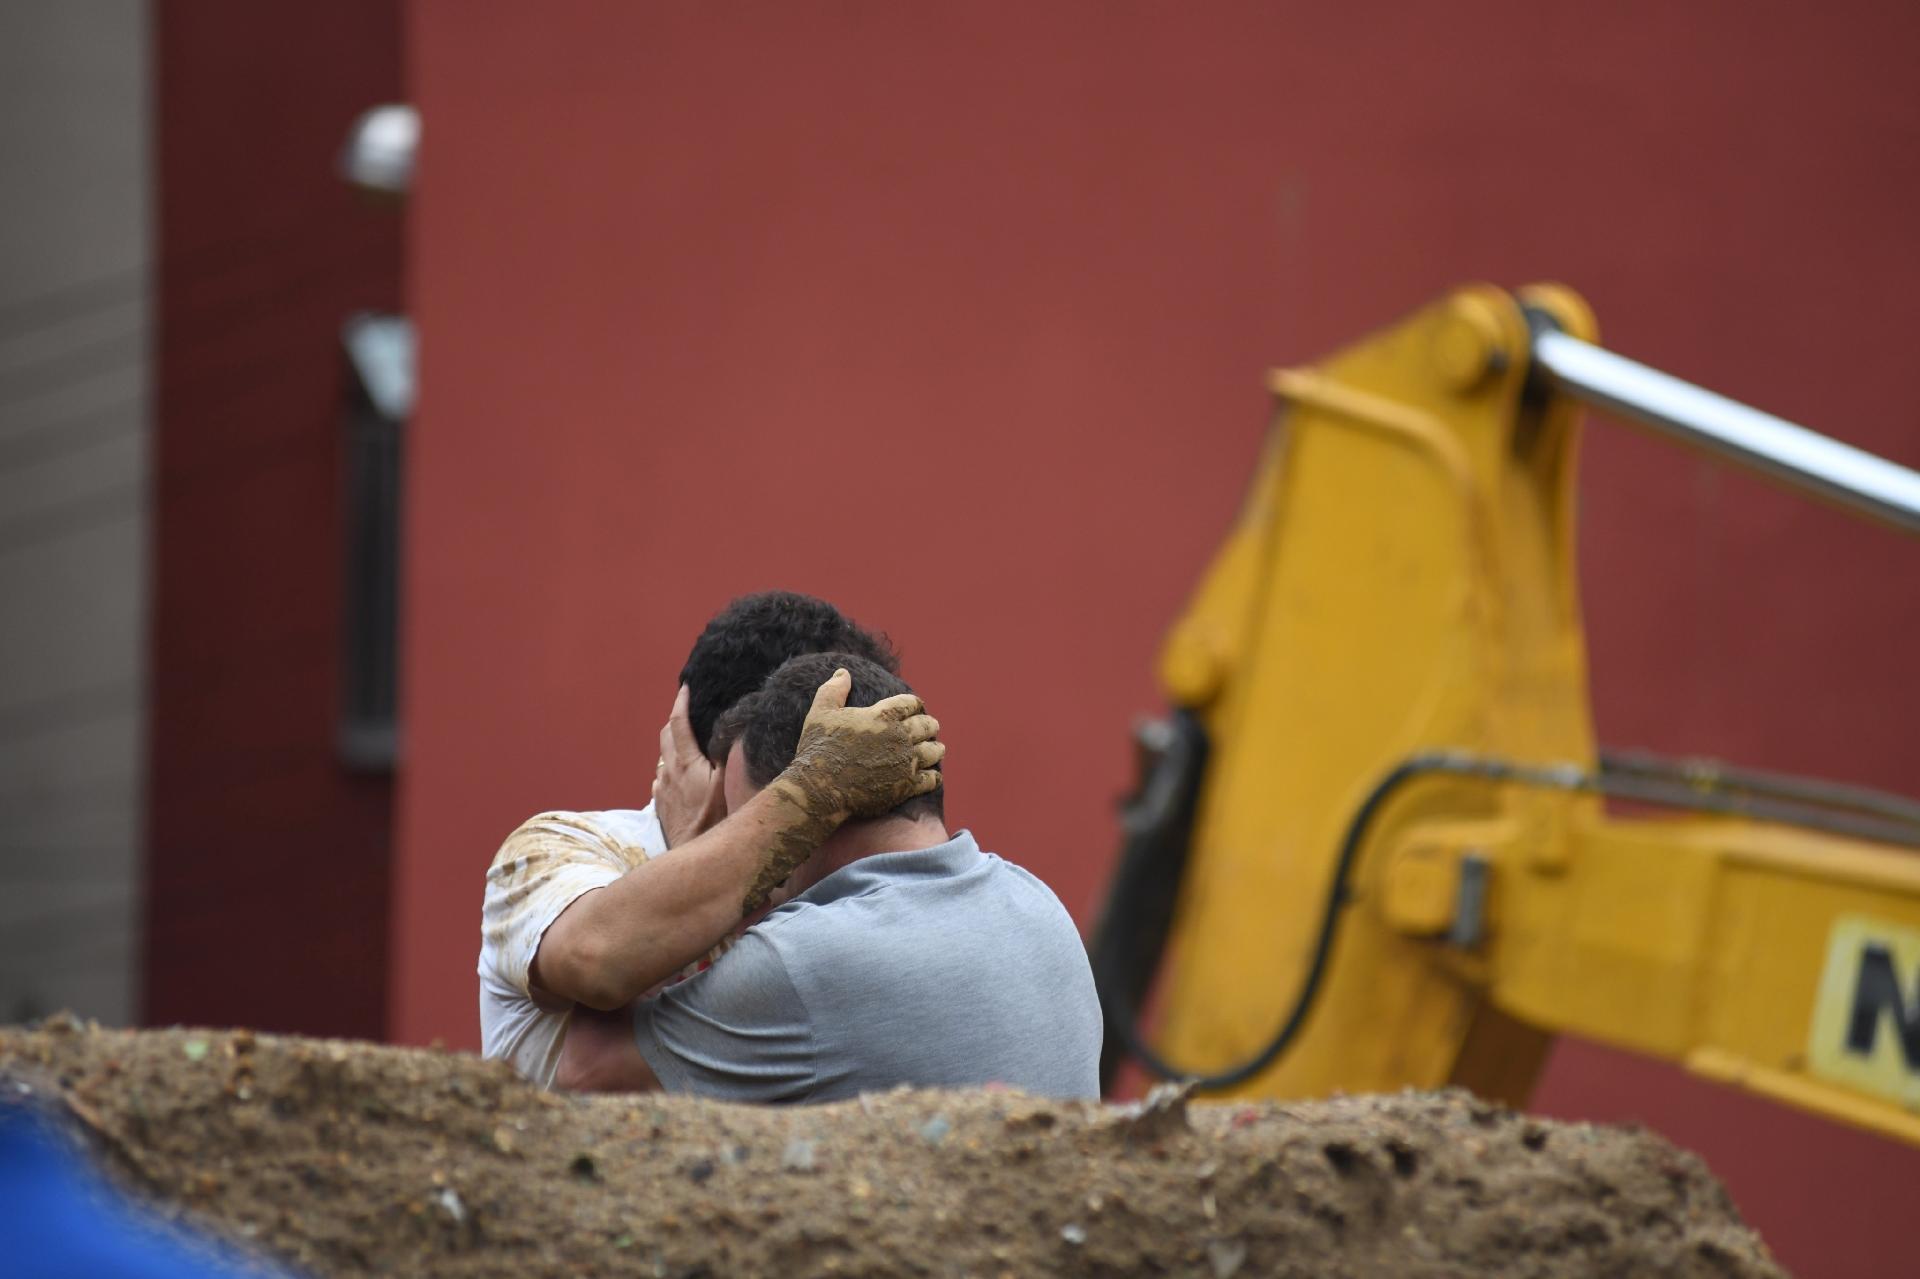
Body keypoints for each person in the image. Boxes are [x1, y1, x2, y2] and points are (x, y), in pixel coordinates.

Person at [559, 652, 1103, 1101]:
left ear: (804, 815)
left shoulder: (801, 962)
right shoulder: (1038, 904)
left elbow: (586, 1070)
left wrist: (697, 851)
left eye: (744, 821)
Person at [478, 592, 937, 1088]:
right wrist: (699, 845)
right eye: (844, 752)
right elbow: (595, 962)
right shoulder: (561, 849)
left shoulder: (840, 874)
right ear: (733, 748)